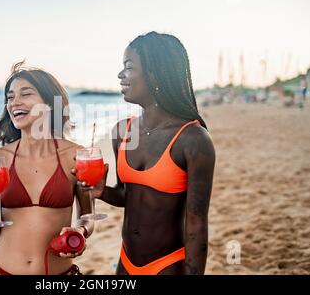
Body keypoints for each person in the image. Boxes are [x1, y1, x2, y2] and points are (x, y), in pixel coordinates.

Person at [79, 32, 215, 275]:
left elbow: (196, 224)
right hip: (125, 262)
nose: (121, 75)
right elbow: (127, 196)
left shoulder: (193, 139)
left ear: (155, 74)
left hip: (168, 266)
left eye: (129, 67)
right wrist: (102, 192)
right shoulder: (123, 131)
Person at [0, 61, 93, 275]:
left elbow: (88, 215)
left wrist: (81, 232)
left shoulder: (75, 156)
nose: (14, 102)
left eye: (25, 94)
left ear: (49, 103)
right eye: (10, 97)